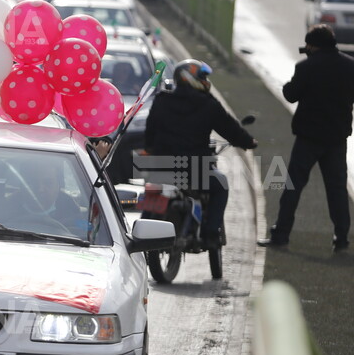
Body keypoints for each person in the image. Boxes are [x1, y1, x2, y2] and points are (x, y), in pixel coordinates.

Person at [143, 59, 256, 247]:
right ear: (191, 78)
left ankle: (141, 230)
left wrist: (150, 149)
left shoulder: (162, 100)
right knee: (221, 185)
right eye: (202, 77)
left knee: (152, 191)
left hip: (161, 166)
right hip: (193, 169)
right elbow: (230, 128)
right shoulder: (208, 104)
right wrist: (248, 142)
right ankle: (211, 233)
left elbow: (150, 131)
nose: (205, 81)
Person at [261, 24, 354, 251]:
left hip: (308, 138)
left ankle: (281, 234)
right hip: (336, 139)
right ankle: (341, 238)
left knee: (293, 188)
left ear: (313, 45)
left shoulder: (305, 67)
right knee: (337, 190)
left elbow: (291, 95)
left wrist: (289, 84)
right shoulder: (350, 66)